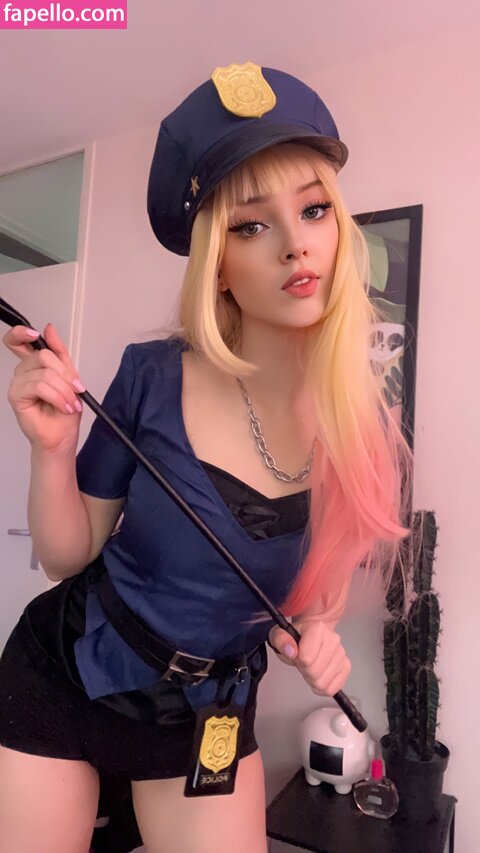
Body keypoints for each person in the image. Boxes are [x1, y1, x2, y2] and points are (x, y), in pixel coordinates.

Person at [0, 62, 413, 853]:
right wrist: (51, 450)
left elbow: (314, 597)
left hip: (205, 716)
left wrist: (318, 634)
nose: (296, 244)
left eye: (314, 209)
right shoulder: (151, 376)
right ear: (216, 260)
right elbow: (66, 555)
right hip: (64, 672)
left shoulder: (361, 427)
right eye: (252, 225)